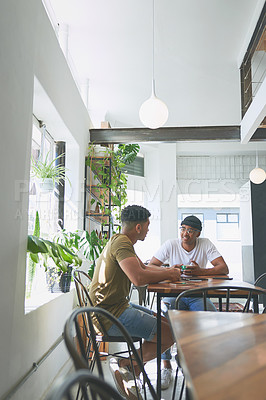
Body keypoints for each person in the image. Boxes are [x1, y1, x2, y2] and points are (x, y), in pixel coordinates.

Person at [89, 205, 181, 400]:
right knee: (170, 334)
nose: (148, 230)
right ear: (138, 227)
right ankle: (126, 365)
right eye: (147, 226)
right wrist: (169, 273)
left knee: (169, 326)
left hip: (115, 308)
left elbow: (144, 267)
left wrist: (169, 271)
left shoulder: (120, 240)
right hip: (108, 316)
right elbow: (138, 278)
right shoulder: (122, 244)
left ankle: (132, 371)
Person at [148, 215, 229, 390]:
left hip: (197, 294)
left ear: (198, 233)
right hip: (171, 294)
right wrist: (170, 270)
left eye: (191, 230)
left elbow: (223, 268)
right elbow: (151, 265)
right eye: (183, 229)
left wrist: (200, 272)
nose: (186, 234)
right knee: (163, 319)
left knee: (212, 319)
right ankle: (166, 365)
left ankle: (200, 362)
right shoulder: (171, 244)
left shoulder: (205, 243)